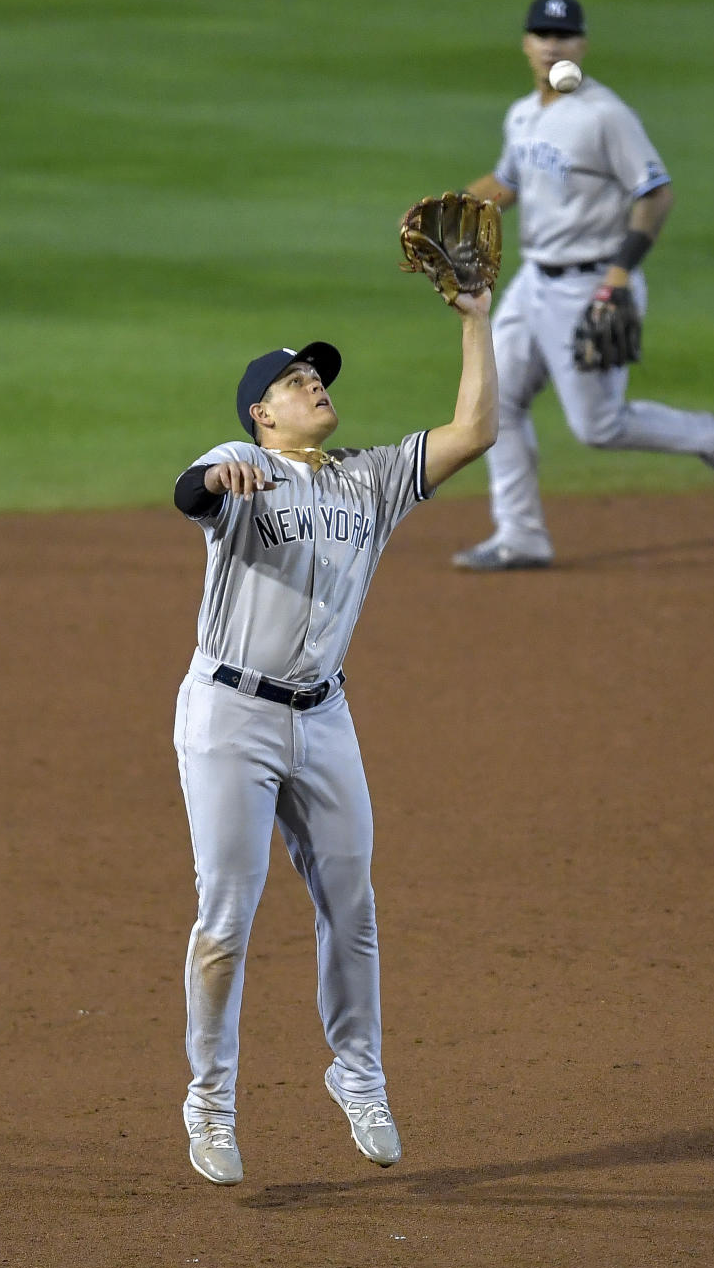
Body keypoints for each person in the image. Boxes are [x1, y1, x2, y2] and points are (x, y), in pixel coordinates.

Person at [171, 288, 496, 1184]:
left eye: (317, 374)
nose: (312, 384)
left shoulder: (370, 477)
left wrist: (475, 315)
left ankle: (359, 1077)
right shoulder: (243, 461)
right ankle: (211, 1105)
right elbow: (187, 489)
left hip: (323, 717)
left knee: (351, 905)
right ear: (261, 414)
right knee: (226, 920)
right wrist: (217, 480)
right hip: (229, 717)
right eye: (293, 380)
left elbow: (475, 430)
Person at [453, 0, 714, 572]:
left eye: (564, 36)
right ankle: (520, 536)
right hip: (531, 283)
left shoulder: (603, 115)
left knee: (599, 427)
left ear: (582, 45)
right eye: (542, 34)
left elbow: (656, 194)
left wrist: (619, 277)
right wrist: (450, 209)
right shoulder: (522, 114)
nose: (552, 45)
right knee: (498, 402)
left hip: (592, 284)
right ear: (525, 44)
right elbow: (509, 180)